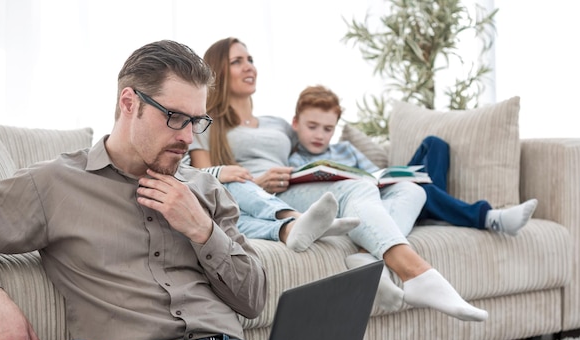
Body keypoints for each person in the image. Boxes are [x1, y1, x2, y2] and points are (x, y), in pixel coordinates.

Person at [0, 40, 408, 340]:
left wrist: (201, 228)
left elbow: (253, 299)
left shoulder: (206, 189)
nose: (186, 138)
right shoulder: (53, 183)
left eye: (196, 121)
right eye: (175, 118)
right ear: (129, 103)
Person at [189, 37, 488, 322]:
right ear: (219, 70)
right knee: (355, 189)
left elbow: (316, 143)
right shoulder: (207, 126)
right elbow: (204, 177)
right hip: (263, 193)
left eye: (250, 59)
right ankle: (419, 274)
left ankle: (365, 257)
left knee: (413, 191)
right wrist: (257, 180)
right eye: (237, 61)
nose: (249, 66)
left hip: (297, 185)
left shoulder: (278, 124)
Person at [289, 85, 538, 236]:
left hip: (383, 192)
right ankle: (488, 217)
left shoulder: (345, 149)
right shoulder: (294, 160)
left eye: (327, 128)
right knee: (421, 191)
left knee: (435, 144)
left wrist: (393, 176)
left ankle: (431, 206)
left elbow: (375, 174)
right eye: (313, 126)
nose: (320, 135)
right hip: (370, 205)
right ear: (296, 123)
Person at [181, 157, 360, 252]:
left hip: (196, 195)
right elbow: (181, 174)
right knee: (232, 181)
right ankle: (298, 218)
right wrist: (217, 172)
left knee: (229, 217)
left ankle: (290, 230)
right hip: (186, 191)